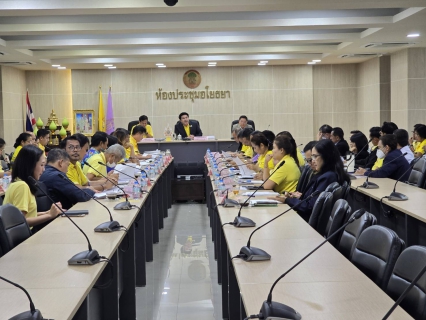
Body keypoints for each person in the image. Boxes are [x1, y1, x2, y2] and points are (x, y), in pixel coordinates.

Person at [271, 139, 350, 222]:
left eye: (315, 156)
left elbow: (310, 207)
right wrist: (298, 197)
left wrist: (287, 200)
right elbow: (313, 199)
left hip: (306, 222)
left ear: (326, 156)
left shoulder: (327, 177)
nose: (312, 160)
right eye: (312, 157)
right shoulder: (326, 174)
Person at [3, 145, 62, 228]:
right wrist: (49, 216)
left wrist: (48, 212)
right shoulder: (21, 186)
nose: (44, 169)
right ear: (30, 165)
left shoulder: (22, 183)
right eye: (41, 165)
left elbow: (29, 215)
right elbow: (20, 221)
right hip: (23, 239)